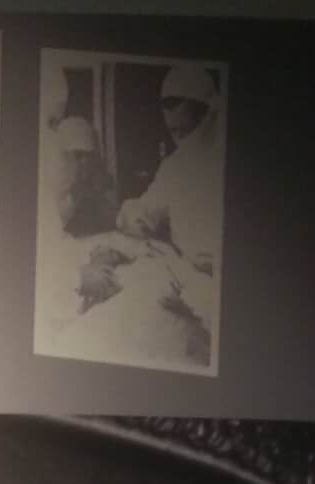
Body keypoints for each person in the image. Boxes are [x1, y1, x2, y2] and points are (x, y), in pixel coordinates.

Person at [58, 64, 223, 368]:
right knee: (114, 313)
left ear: (209, 114)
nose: (184, 141)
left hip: (216, 288)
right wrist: (130, 223)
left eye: (190, 129)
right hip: (180, 275)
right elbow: (141, 214)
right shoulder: (177, 166)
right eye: (175, 133)